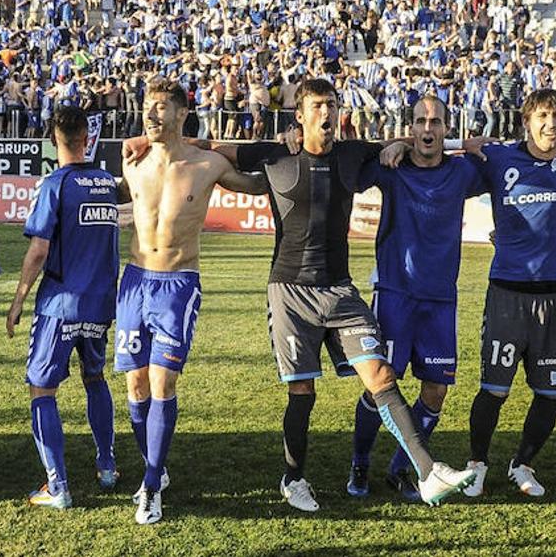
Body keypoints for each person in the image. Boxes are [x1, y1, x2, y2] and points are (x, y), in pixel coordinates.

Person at [203, 78, 476, 511]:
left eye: (331, 105)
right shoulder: (274, 153)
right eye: (317, 106)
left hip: (341, 291)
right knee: (303, 392)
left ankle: (427, 472)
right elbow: (214, 149)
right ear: (300, 115)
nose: (326, 113)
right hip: (291, 290)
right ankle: (293, 479)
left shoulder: (353, 153)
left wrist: (398, 146)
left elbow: (407, 142)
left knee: (381, 378)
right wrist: (152, 139)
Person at [116, 79, 268, 524]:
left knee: (163, 385)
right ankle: (154, 469)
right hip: (134, 281)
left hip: (178, 285)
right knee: (135, 386)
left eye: (162, 107)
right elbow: (120, 206)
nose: (152, 115)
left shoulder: (208, 164)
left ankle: (150, 483)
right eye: (148, 106)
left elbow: (260, 186)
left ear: (182, 113)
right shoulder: (133, 163)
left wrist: (287, 152)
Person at [339, 95, 489, 500]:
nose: (427, 128)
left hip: (440, 299)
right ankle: (360, 462)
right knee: (378, 387)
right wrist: (394, 144)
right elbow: (350, 167)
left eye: (435, 122)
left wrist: (471, 147)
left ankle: (402, 468)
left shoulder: (463, 173)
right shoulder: (392, 169)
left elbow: (512, 163)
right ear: (412, 127)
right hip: (394, 296)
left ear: (446, 128)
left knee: (435, 391)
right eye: (420, 122)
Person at [460, 89, 556, 497]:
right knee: (494, 390)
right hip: (507, 295)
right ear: (527, 122)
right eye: (543, 116)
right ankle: (477, 464)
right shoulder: (500, 158)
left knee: (551, 391)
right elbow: (452, 166)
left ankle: (523, 464)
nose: (551, 124)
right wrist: (468, 144)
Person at [6, 105, 120, 511]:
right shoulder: (106, 182)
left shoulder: (53, 183)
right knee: (94, 378)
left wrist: (18, 298)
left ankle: (57, 486)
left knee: (42, 388)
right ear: (86, 138)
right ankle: (107, 467)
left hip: (61, 305)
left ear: (55, 139)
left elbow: (38, 250)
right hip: (100, 303)